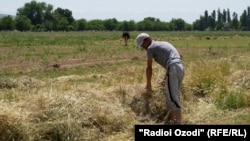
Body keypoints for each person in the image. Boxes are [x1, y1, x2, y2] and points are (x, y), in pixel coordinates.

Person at [136, 33, 185, 125]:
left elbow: (149, 68)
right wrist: (166, 78)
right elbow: (174, 58)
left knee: (173, 100)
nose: (144, 48)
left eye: (143, 45)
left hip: (173, 68)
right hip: (180, 67)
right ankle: (171, 121)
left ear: (147, 39)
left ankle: (178, 125)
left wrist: (148, 84)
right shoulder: (163, 43)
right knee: (173, 97)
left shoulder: (151, 48)